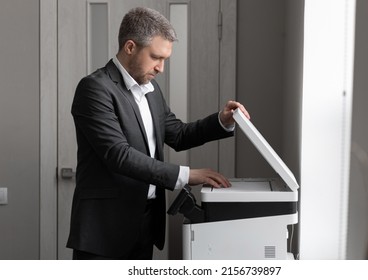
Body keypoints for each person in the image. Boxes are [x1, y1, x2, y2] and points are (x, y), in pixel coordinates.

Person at [66, 6, 250, 260]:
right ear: (130, 47)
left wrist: (222, 120)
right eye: (156, 57)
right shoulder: (95, 89)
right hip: (104, 230)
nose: (161, 68)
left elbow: (178, 134)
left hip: (145, 224)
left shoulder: (150, 89)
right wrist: (187, 175)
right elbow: (118, 154)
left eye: (165, 59)